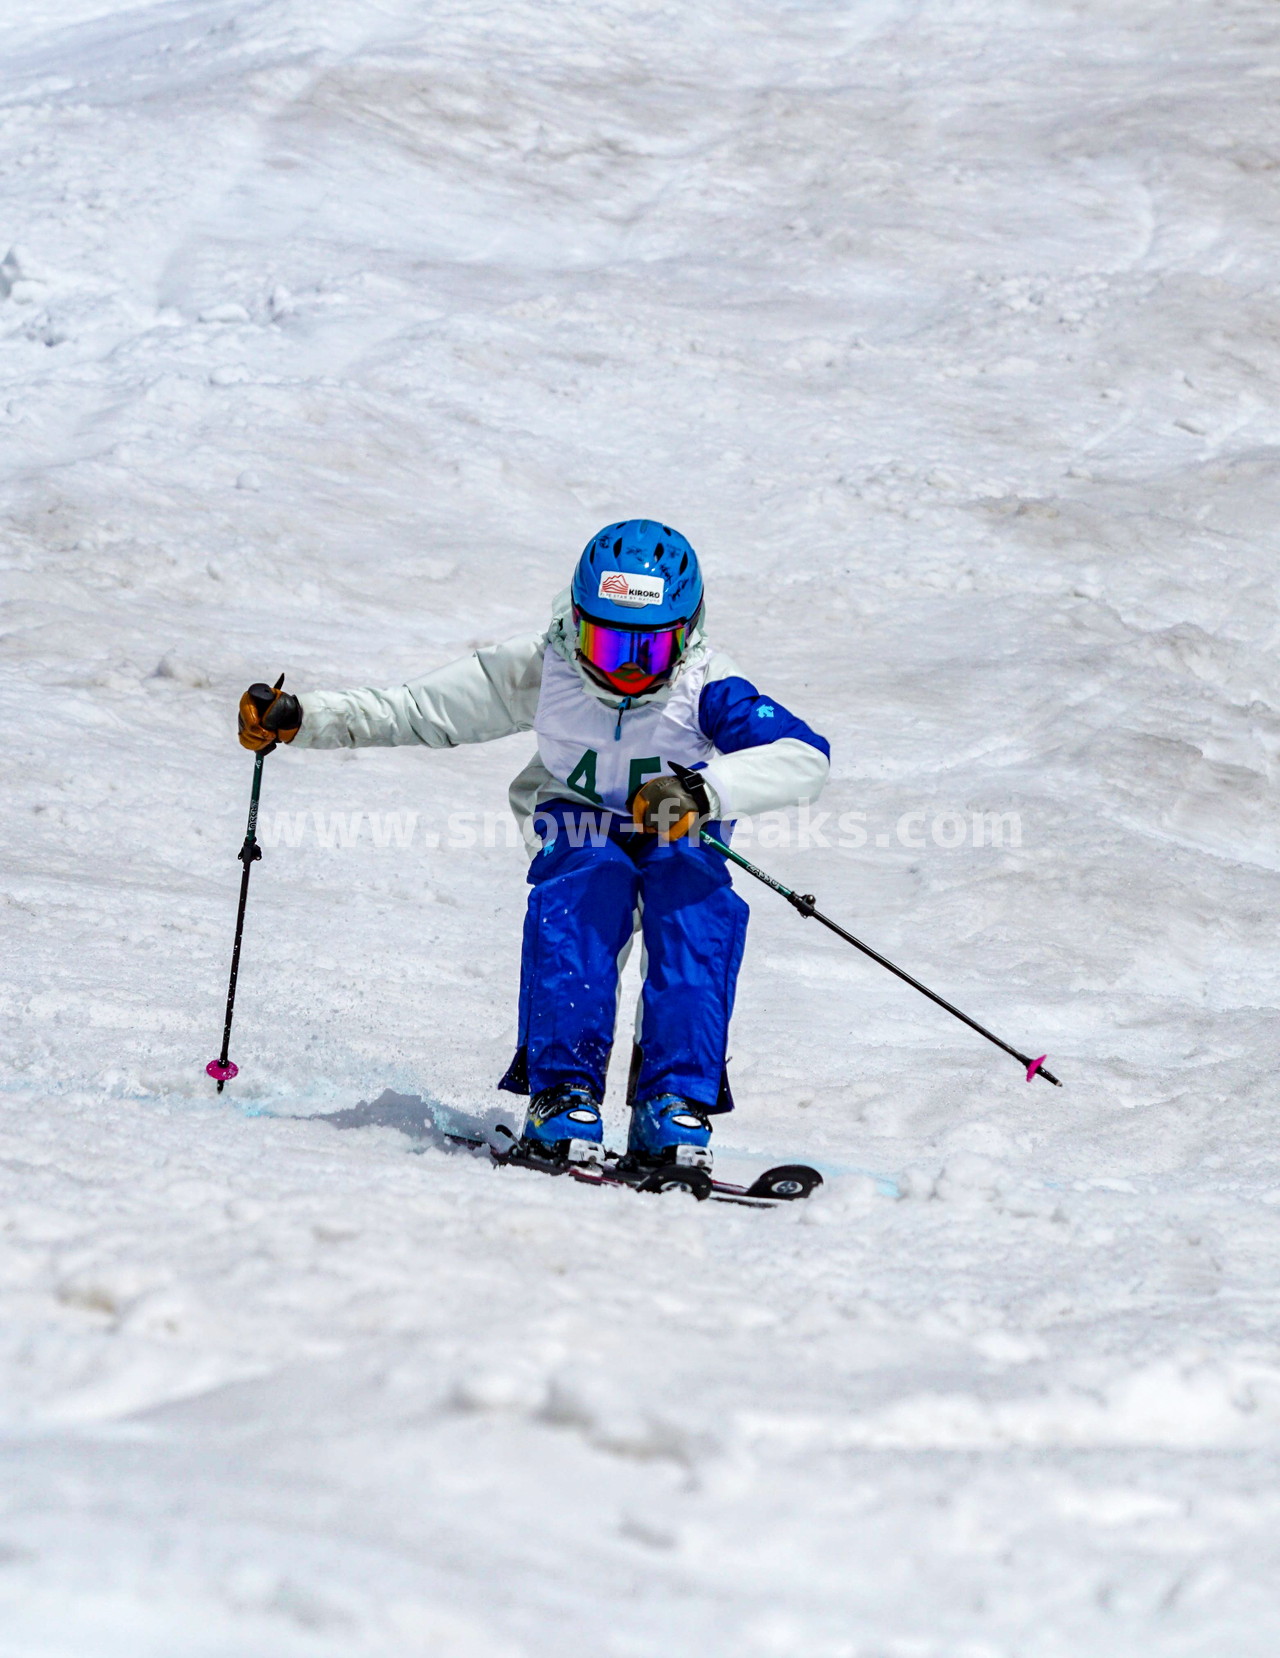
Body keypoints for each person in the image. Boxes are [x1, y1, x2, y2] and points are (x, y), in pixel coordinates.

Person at [237, 520, 830, 1170]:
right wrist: (304, 719)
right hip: (581, 822)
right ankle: (562, 1093)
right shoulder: (544, 669)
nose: (628, 670)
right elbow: (416, 708)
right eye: (606, 643)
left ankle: (673, 1103)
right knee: (586, 887)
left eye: (649, 651)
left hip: (678, 824)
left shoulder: (708, 685)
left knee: (697, 905)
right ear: (576, 624)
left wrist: (700, 791)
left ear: (685, 638)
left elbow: (802, 755)